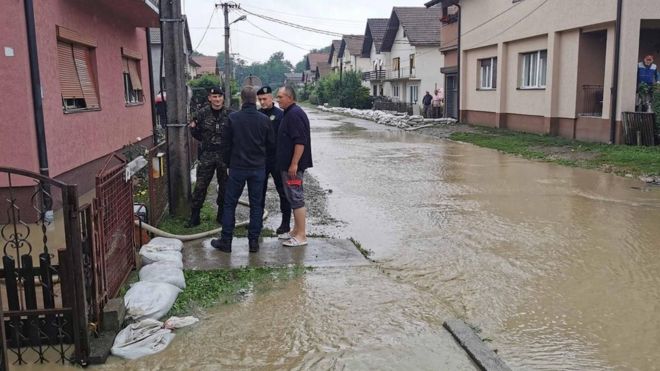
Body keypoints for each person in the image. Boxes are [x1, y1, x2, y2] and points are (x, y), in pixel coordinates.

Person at [211, 86, 275, 253]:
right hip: (257, 168)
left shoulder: (233, 119)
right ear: (255, 99)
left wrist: (228, 164)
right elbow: (271, 145)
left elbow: (225, 145)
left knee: (229, 204)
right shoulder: (264, 119)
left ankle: (226, 241)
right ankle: (253, 242)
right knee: (256, 205)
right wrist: (262, 161)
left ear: (241, 99)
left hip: (237, 167)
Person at [187, 86, 233, 227]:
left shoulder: (230, 114)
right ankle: (195, 216)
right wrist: (206, 141)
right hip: (207, 154)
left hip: (224, 155)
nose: (217, 99)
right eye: (214, 97)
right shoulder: (201, 113)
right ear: (209, 98)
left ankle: (221, 214)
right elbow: (194, 130)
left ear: (223, 98)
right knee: (201, 185)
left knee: (225, 186)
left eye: (219, 96)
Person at [275, 86, 313, 247]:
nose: (278, 100)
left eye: (280, 97)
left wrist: (294, 164)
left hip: (293, 168)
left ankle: (301, 236)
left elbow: (300, 142)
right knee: (292, 196)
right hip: (288, 165)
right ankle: (296, 231)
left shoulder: (294, 115)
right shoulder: (290, 113)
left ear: (290, 98)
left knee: (296, 198)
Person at [257, 86, 291, 235]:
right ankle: (256, 221)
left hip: (277, 159)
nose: (263, 102)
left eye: (265, 99)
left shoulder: (281, 115)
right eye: (260, 99)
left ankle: (285, 223)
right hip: (261, 159)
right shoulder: (257, 115)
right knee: (258, 192)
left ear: (272, 98)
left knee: (283, 192)